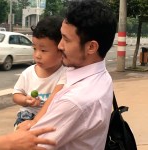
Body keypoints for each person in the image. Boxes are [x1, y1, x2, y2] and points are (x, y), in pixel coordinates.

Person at [28, 0, 117, 149]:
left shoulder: (76, 101)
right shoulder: (100, 75)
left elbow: (32, 145)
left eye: (66, 39)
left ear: (91, 47)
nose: (59, 45)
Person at [13, 16, 66, 128]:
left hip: (49, 118)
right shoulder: (28, 73)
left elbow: (54, 101)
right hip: (27, 115)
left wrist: (36, 123)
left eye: (43, 50)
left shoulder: (65, 74)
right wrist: (26, 100)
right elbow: (16, 95)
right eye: (34, 49)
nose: (37, 55)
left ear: (61, 50)